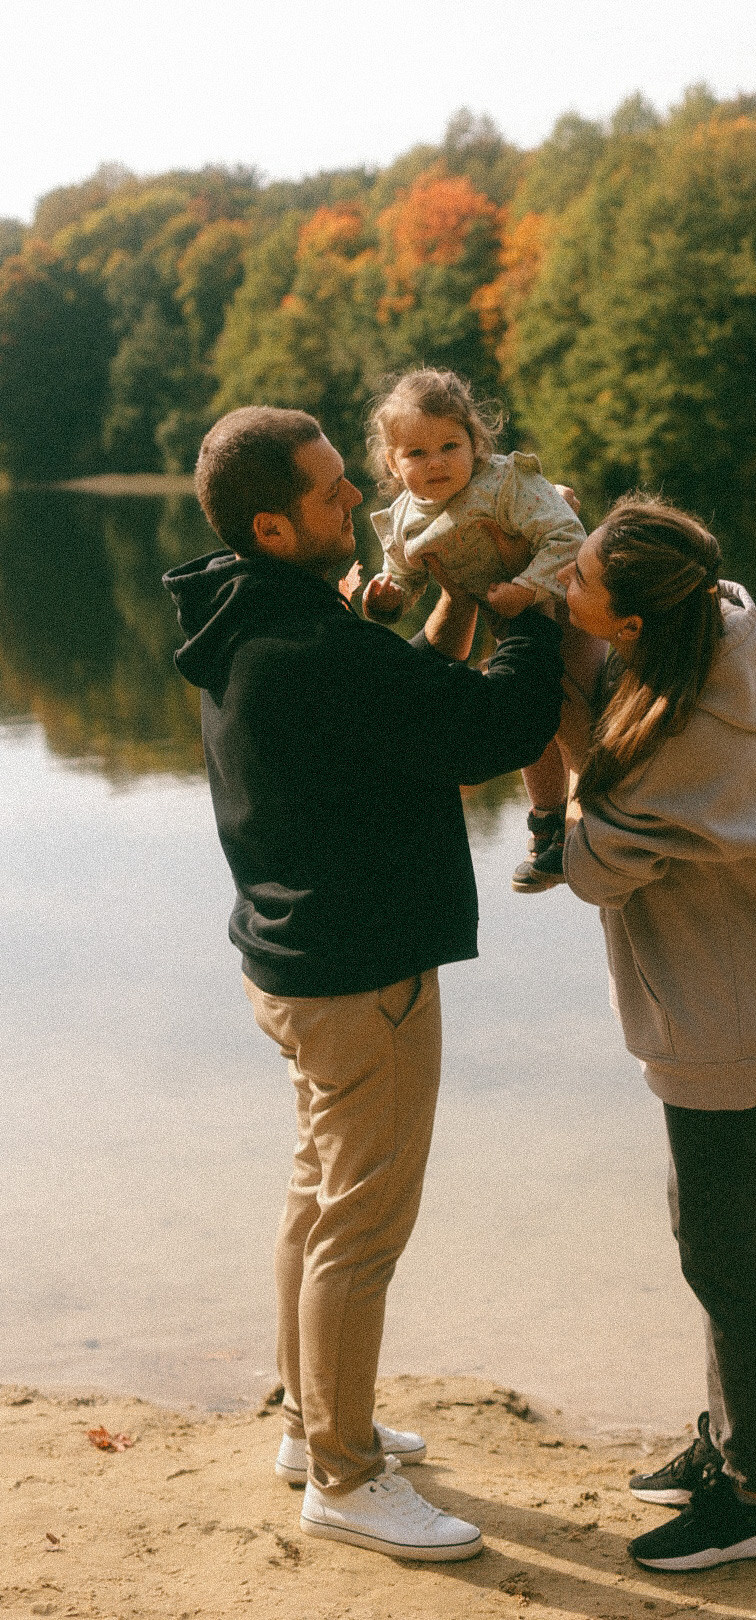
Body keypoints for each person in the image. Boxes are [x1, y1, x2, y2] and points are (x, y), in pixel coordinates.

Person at [163, 405, 563, 1562]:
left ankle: (308, 1421)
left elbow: (400, 704)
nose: (364, 504)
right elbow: (492, 724)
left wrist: (446, 604)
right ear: (276, 524)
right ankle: (342, 1475)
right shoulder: (310, 647)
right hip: (357, 974)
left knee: (316, 1194)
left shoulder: (251, 617)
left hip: (291, 963)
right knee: (362, 1228)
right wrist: (517, 602)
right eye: (338, 495)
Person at [557, 495, 756, 1572]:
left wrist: (554, 716)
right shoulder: (701, 633)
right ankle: (729, 1441)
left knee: (728, 1255)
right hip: (728, 993)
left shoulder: (682, 745)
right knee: (710, 1236)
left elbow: (588, 866)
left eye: (578, 584)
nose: (564, 590)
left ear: (629, 625)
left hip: (726, 1011)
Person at [360, 367, 604, 893]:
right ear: (392, 463)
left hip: (567, 609)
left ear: (477, 442)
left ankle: (604, 810)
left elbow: (569, 536)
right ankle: (547, 825)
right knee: (531, 719)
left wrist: (528, 586)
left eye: (451, 445)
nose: (437, 463)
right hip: (509, 627)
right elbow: (404, 576)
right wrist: (387, 597)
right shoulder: (404, 519)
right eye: (416, 454)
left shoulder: (504, 485)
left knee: (570, 707)